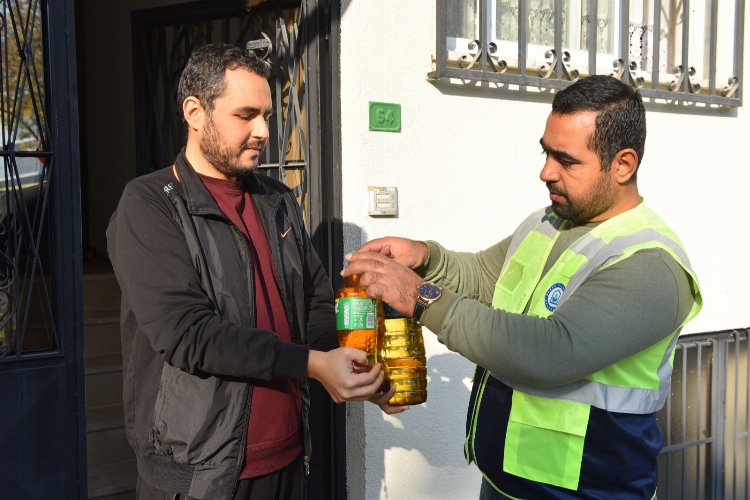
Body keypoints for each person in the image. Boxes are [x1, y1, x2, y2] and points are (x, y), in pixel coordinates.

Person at [342, 75, 703, 498]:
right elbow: (483, 277)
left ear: (623, 165)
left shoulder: (650, 264)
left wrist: (420, 297)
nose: (545, 172)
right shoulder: (548, 222)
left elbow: (549, 353)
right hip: (505, 481)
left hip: (590, 492)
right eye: (546, 152)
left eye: (565, 160)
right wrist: (426, 257)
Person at [106, 43, 389, 500]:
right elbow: (187, 333)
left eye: (267, 115)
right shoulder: (150, 204)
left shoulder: (276, 200)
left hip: (291, 460)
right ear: (195, 112)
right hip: (198, 476)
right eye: (245, 115)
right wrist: (313, 365)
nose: (262, 130)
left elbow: (314, 307)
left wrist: (359, 365)